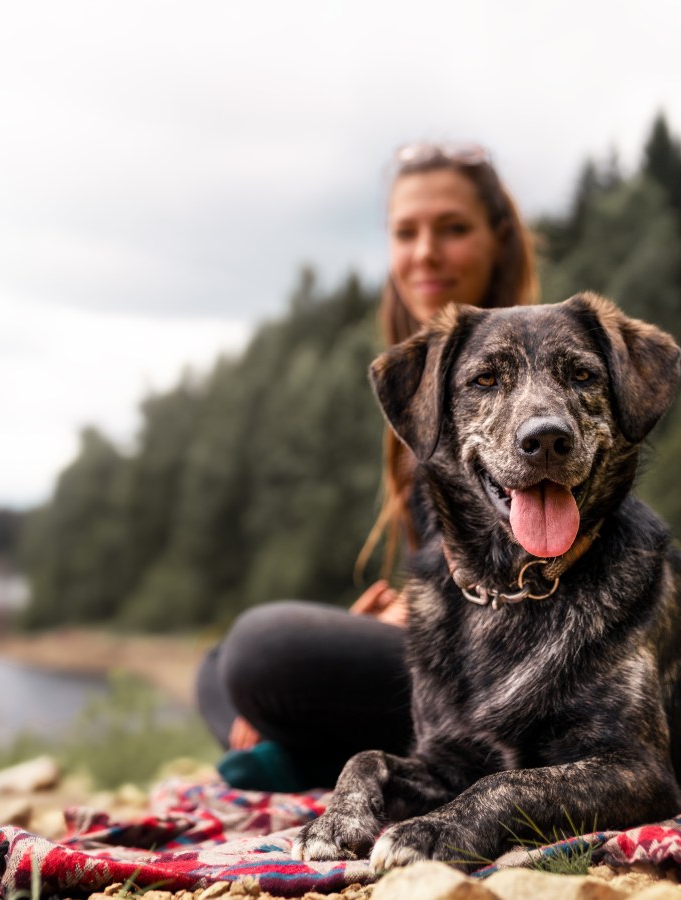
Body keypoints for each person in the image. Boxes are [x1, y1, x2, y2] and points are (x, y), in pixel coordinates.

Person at [194, 142, 537, 792]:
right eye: (406, 232)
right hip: (448, 644)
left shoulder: (528, 376)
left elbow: (538, 570)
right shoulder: (425, 383)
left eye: (453, 229)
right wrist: (391, 616)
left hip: (514, 654)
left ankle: (305, 762)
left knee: (261, 653)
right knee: (216, 667)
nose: (425, 252)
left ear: (499, 240)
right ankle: (319, 760)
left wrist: (412, 613)